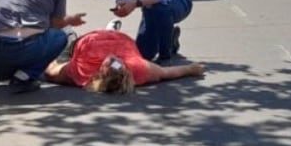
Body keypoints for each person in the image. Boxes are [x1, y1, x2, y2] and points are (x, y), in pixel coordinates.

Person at [44, 26, 205, 94]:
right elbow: (166, 72)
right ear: (126, 69)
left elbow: (51, 71)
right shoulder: (139, 69)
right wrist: (191, 69)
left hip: (87, 40)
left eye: (111, 63)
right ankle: (169, 42)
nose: (114, 59)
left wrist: (44, 56)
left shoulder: (83, 73)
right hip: (122, 39)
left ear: (101, 72)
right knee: (150, 47)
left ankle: (70, 39)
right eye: (118, 62)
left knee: (63, 46)